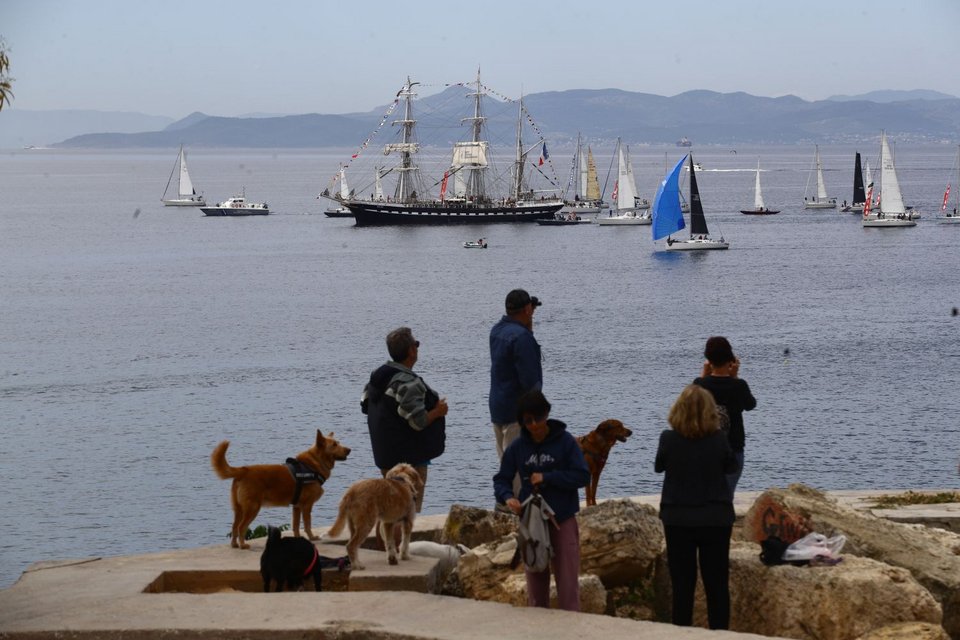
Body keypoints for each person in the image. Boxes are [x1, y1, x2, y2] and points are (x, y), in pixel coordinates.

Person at [494, 390, 589, 612]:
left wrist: (549, 477)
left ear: (546, 414)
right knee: (536, 592)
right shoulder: (517, 447)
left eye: (538, 418)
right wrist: (508, 497)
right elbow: (501, 480)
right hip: (531, 523)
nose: (534, 425)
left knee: (568, 588)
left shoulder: (565, 442)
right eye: (528, 421)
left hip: (561, 518)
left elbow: (582, 475)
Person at [655, 384, 739, 630]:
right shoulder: (719, 439)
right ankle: (720, 633)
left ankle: (681, 632)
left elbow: (659, 467)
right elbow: (731, 467)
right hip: (715, 517)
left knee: (682, 585)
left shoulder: (668, 438)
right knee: (717, 584)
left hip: (678, 517)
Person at [362, 327, 448, 512]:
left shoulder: (377, 377)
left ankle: (384, 542)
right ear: (411, 350)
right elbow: (418, 422)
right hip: (409, 462)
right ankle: (402, 542)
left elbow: (365, 405)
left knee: (388, 512)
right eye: (416, 344)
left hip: (385, 456)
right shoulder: (408, 382)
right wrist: (438, 411)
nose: (417, 348)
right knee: (407, 513)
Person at [694, 336, 756, 496]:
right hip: (733, 448)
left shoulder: (700, 384)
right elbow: (750, 405)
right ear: (730, 359)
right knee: (725, 500)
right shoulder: (738, 386)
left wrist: (703, 376)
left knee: (705, 498)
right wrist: (735, 377)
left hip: (706, 448)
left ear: (708, 359)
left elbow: (690, 404)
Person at [489, 289, 543, 460]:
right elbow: (530, 381)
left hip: (498, 408)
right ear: (527, 309)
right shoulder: (521, 337)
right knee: (519, 473)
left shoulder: (496, 331)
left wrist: (528, 329)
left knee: (506, 468)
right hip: (518, 414)